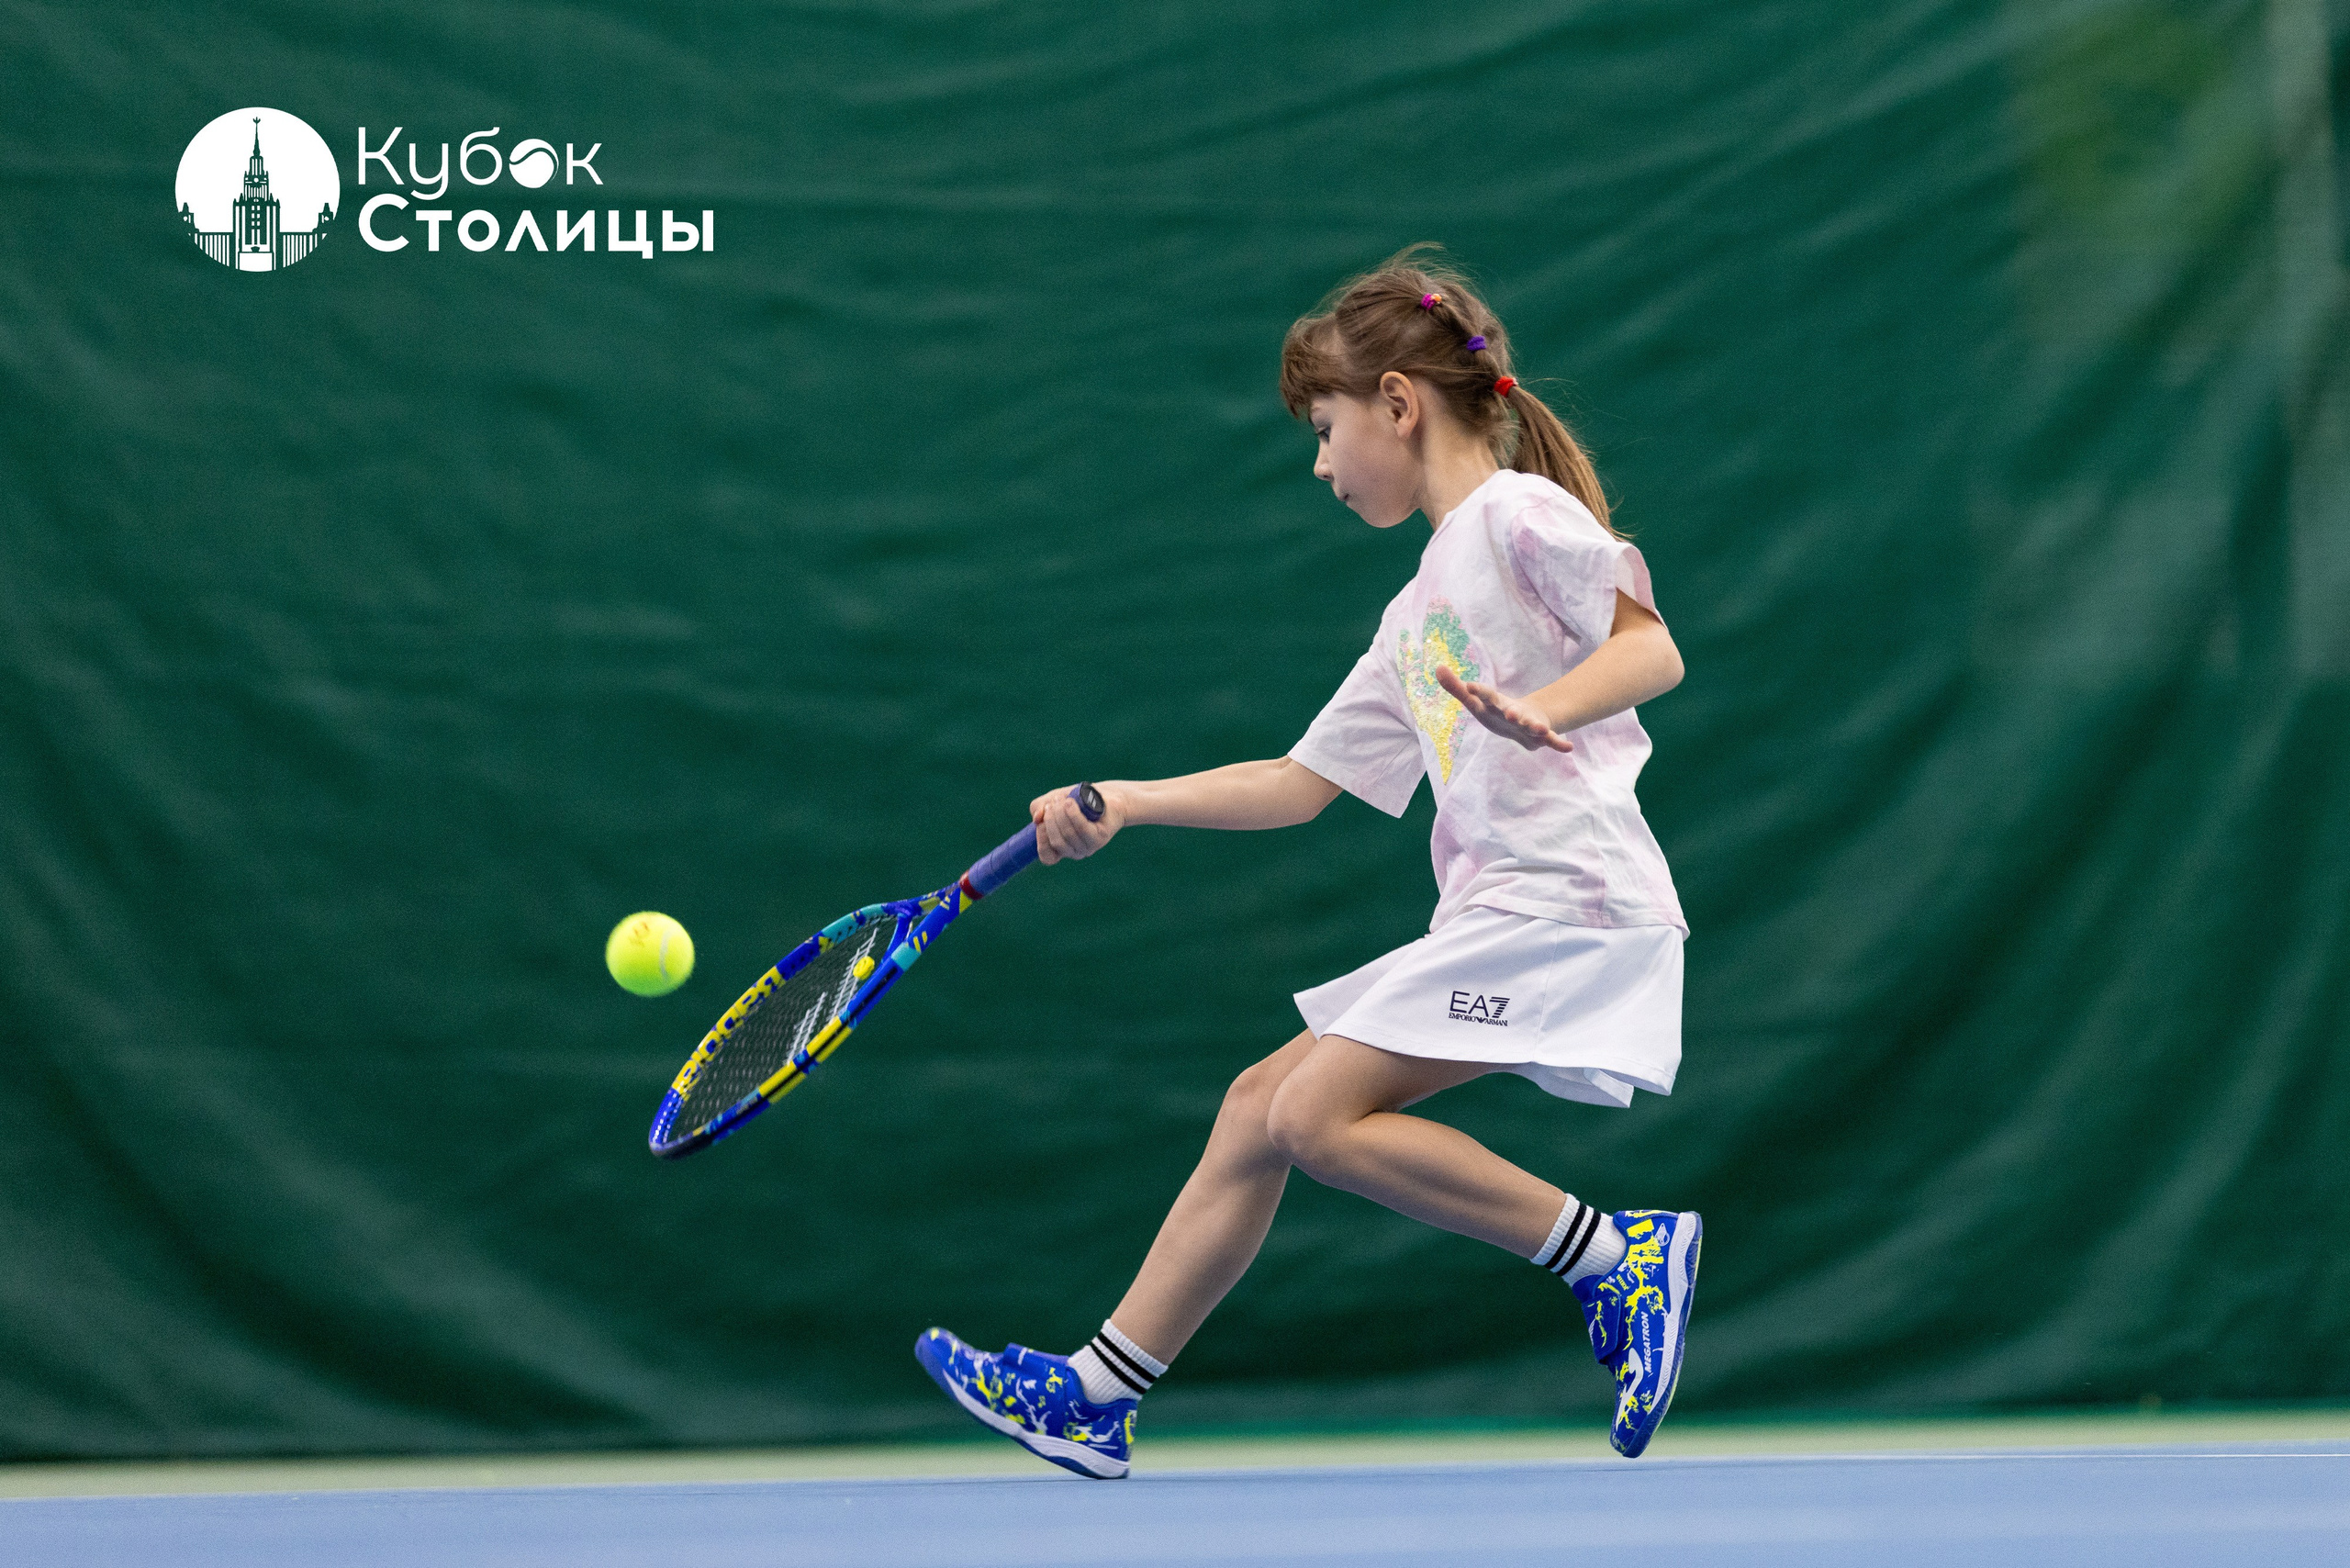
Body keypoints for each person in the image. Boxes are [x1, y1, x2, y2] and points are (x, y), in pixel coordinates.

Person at [915, 245, 1699, 1479]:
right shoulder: (1416, 613)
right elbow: (1299, 785)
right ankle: (1095, 1397)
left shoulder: (1517, 514)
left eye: (1326, 431)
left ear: (1398, 402)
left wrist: (1544, 710)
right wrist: (1127, 803)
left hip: (1573, 905)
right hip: (1499, 914)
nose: (1322, 466)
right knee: (1257, 1110)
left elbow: (1651, 652)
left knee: (1315, 1115)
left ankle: (1618, 1257)